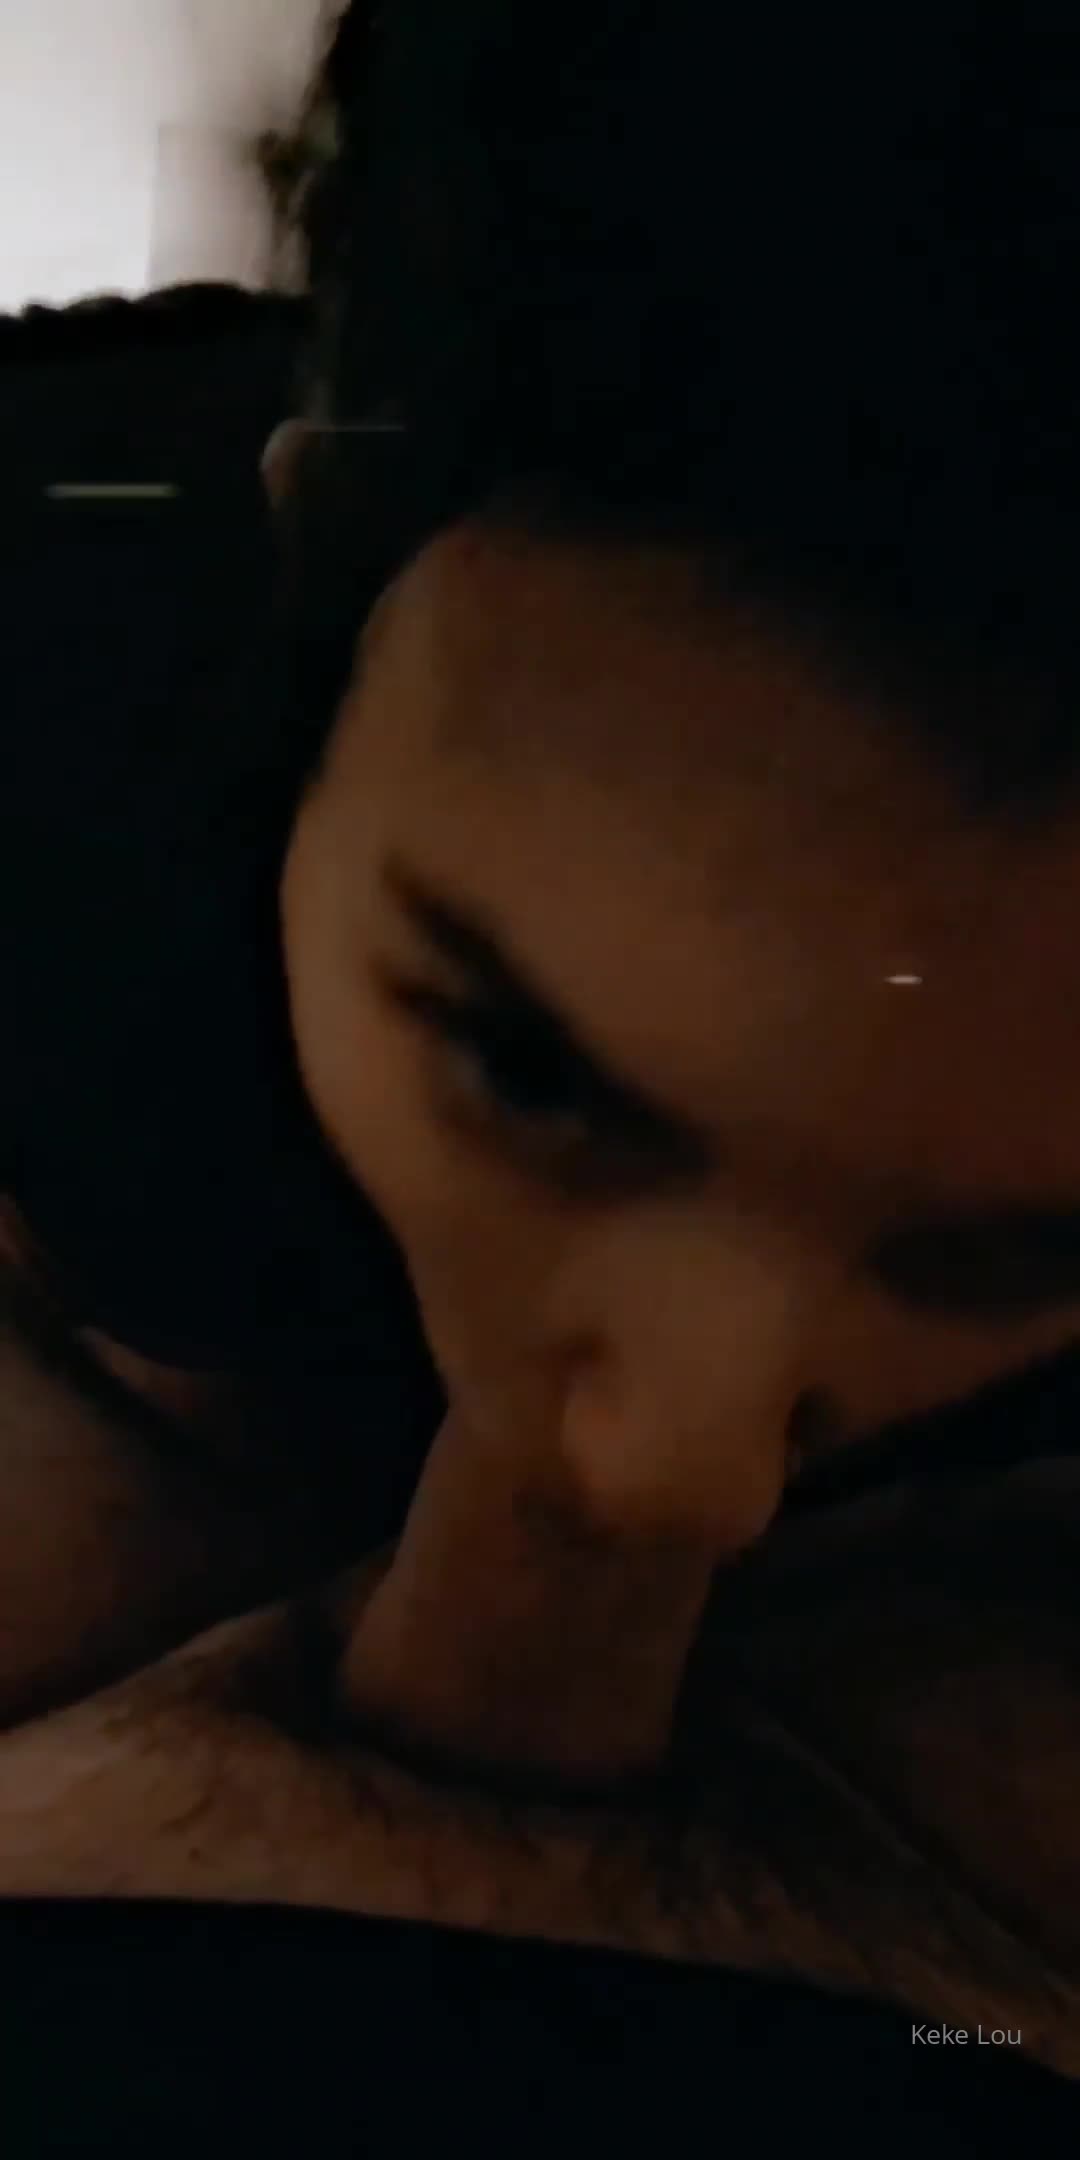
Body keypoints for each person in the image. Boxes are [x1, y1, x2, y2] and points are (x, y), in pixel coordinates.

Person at [4, 0, 1080, 2087]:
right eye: (532, 1079)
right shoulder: (63, 685)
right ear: (308, 563)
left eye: (1016, 1249)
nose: (674, 1464)